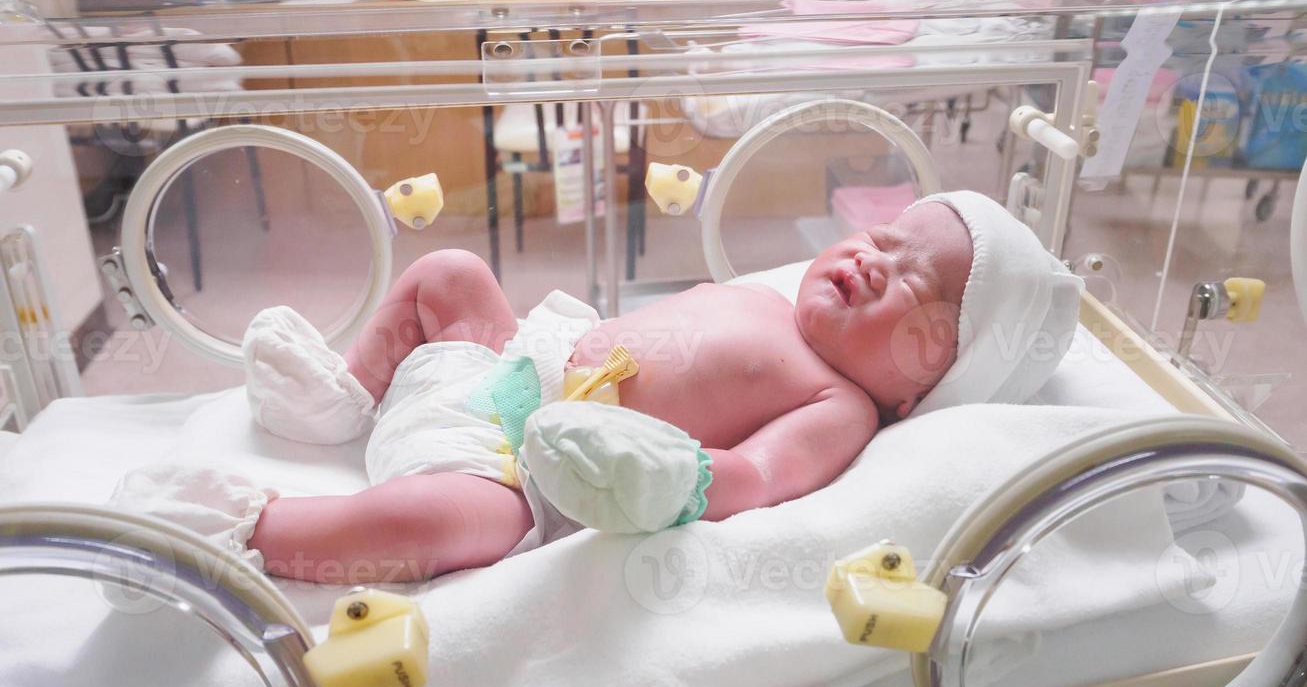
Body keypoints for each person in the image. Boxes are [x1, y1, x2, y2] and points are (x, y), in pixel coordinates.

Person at [112, 191, 1082, 583]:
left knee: (454, 525)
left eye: (917, 289)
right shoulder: (774, 302)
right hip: (500, 373)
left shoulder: (839, 407)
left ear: (926, 383)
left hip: (511, 469)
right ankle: (348, 394)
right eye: (884, 238)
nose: (875, 262)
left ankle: (249, 533)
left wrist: (664, 473)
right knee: (448, 272)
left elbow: (749, 475)